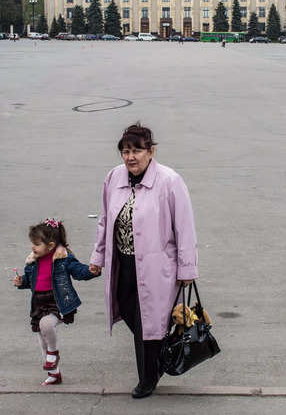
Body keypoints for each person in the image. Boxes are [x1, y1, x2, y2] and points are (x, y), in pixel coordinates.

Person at [89, 123, 199, 399]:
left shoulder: (169, 181)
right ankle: (159, 357)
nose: (131, 157)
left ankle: (147, 378)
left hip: (156, 268)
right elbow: (104, 220)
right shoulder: (114, 178)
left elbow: (185, 228)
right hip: (123, 264)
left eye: (137, 150)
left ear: (151, 151)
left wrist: (187, 269)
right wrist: (98, 256)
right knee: (133, 315)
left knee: (146, 323)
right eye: (125, 151)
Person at [14, 219, 100, 385]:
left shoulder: (63, 259)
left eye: (37, 244)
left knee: (46, 326)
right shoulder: (33, 261)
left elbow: (78, 271)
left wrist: (91, 271)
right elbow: (31, 280)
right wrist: (21, 281)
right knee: (41, 337)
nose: (33, 247)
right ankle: (54, 373)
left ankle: (53, 353)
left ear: (51, 245)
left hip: (58, 302)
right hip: (39, 302)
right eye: (32, 243)